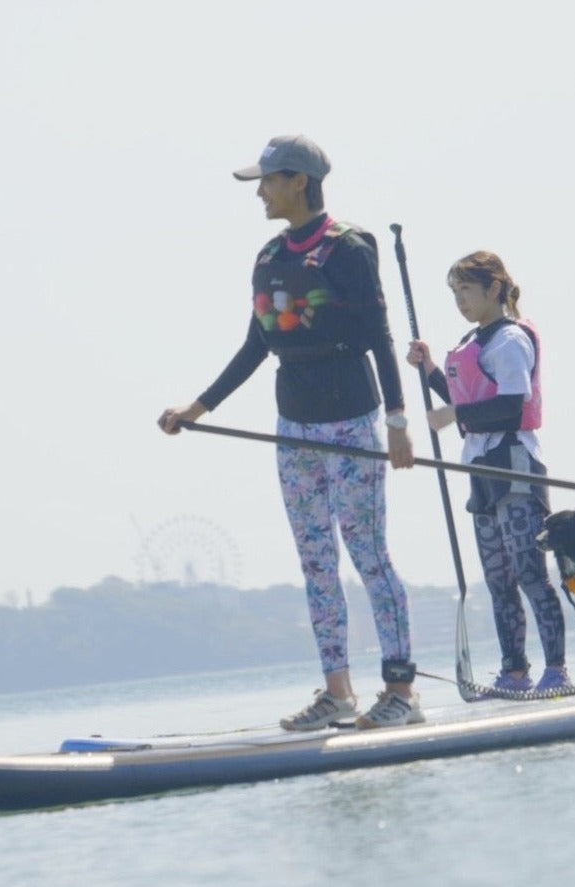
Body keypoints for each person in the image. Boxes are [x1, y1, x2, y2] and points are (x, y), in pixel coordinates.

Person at [158, 135, 423, 730]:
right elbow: (258, 344)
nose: (260, 192)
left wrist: (398, 422)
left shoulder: (349, 249)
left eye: (268, 180)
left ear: (298, 181)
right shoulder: (268, 257)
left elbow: (380, 335)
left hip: (353, 421)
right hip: (293, 426)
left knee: (369, 555)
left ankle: (401, 691)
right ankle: (337, 694)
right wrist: (196, 409)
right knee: (316, 563)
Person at [407, 251, 569, 693]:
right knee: (498, 581)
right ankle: (513, 672)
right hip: (479, 469)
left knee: (529, 572)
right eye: (454, 292)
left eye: (466, 290)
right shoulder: (471, 342)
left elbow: (510, 405)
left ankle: (556, 670)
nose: (459, 300)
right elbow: (465, 393)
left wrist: (453, 414)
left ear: (494, 289)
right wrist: (430, 369)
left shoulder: (510, 340)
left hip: (515, 465)